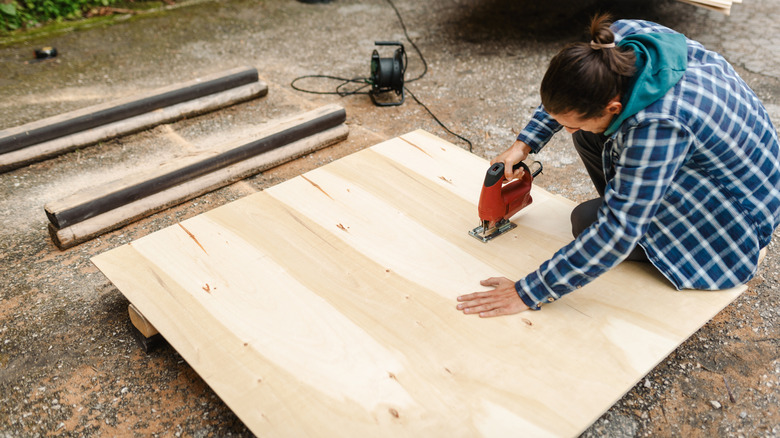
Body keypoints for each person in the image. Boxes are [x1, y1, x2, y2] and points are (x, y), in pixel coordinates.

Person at [456, 14, 780, 317]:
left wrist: (528, 292)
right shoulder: (617, 43)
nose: (566, 128)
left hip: (732, 228)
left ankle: (652, 226)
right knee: (587, 136)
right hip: (733, 174)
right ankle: (635, 195)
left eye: (571, 122)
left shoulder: (659, 125)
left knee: (586, 221)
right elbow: (571, 89)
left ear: (613, 106)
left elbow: (617, 231)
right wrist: (522, 145)